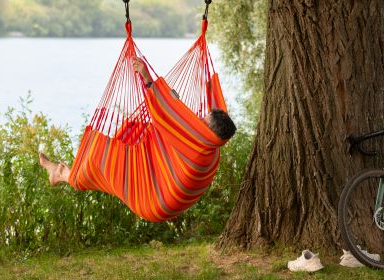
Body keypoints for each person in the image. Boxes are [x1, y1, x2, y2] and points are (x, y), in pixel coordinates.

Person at [38, 56, 236, 187]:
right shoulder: (210, 149)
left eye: (203, 119)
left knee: (99, 151)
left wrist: (146, 77)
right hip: (166, 187)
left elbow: (169, 113)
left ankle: (62, 175)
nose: (198, 118)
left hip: (155, 198)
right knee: (135, 130)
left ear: (210, 131)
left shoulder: (197, 142)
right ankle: (61, 172)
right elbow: (175, 115)